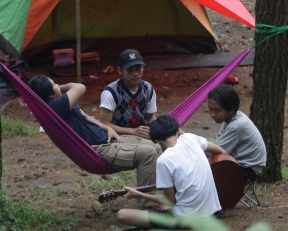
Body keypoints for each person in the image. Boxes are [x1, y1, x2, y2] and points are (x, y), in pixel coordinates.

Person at [28, 74, 161, 208]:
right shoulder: (54, 108)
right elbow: (80, 87)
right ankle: (148, 206)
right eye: (54, 85)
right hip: (101, 148)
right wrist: (60, 88)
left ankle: (160, 196)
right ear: (50, 94)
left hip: (108, 138)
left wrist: (107, 128)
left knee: (156, 146)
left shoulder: (64, 103)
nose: (58, 86)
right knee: (148, 153)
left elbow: (85, 117)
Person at [117, 115, 225, 230]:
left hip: (186, 220)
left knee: (122, 214)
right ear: (178, 131)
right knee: (162, 207)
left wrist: (138, 194)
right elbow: (221, 151)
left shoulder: (164, 160)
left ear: (158, 142)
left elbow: (169, 201)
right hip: (213, 213)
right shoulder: (191, 138)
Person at [207, 85, 267, 183]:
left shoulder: (237, 125)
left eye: (217, 111)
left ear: (231, 109)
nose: (212, 114)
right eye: (210, 109)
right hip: (238, 164)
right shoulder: (230, 119)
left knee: (203, 173)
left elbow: (216, 151)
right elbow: (216, 147)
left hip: (247, 169)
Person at [100, 49, 157, 138]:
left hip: (142, 134)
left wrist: (166, 130)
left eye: (138, 69)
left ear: (143, 68)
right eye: (130, 70)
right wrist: (132, 131)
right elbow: (104, 123)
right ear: (120, 70)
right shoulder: (111, 92)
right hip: (118, 136)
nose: (135, 74)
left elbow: (149, 117)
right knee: (151, 150)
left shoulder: (148, 89)